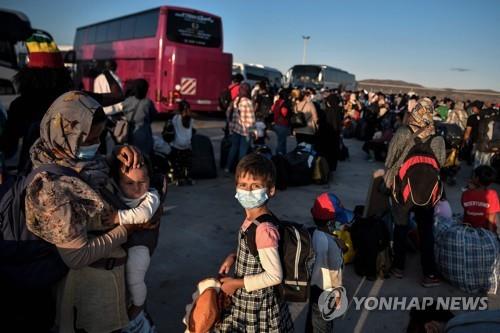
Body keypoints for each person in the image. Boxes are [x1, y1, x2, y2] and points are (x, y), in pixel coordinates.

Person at [22, 91, 153, 333]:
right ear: (66, 135)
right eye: (88, 140)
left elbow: (91, 179)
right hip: (88, 291)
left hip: (112, 281)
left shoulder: (80, 161)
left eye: (98, 138)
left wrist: (115, 155)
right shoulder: (52, 188)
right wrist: (126, 229)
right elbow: (76, 256)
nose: (95, 145)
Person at [217, 153, 294, 332]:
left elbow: (274, 276)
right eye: (243, 185)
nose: (248, 191)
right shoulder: (253, 220)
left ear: (271, 190)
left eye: (256, 186)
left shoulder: (263, 229)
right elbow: (257, 253)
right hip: (248, 299)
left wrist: (235, 284)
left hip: (258, 306)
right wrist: (234, 256)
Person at [384, 98, 446, 287]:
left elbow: (390, 159)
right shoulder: (438, 138)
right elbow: (440, 164)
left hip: (402, 188)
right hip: (427, 192)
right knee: (426, 231)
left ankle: (398, 267)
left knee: (401, 227)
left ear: (415, 112)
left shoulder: (403, 131)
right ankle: (429, 273)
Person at [0, 32, 72, 173]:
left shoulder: (21, 105)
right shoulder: (74, 103)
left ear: (27, 76)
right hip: (71, 175)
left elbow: (8, 148)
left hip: (32, 176)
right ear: (63, 75)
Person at [111, 158, 161, 331]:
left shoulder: (151, 196)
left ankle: (138, 306)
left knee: (134, 276)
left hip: (140, 245)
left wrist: (117, 217)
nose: (137, 188)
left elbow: (144, 214)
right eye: (129, 183)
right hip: (122, 243)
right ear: (118, 182)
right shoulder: (114, 194)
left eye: (142, 182)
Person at [307, 193, 346, 333]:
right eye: (337, 221)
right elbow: (335, 275)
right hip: (326, 292)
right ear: (330, 223)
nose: (340, 224)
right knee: (323, 325)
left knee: (312, 319)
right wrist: (338, 296)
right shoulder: (332, 245)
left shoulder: (313, 234)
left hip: (312, 287)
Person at [224, 83, 256, 174]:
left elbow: (228, 114)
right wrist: (253, 132)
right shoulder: (248, 102)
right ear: (248, 91)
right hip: (245, 131)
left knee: (233, 149)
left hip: (235, 129)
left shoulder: (236, 100)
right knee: (243, 151)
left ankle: (227, 167)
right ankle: (239, 171)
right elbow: (251, 119)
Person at [122, 79, 158, 156]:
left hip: (129, 133)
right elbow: (154, 115)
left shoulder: (127, 101)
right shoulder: (147, 102)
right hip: (144, 134)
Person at [461, 165, 499, 233]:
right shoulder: (492, 195)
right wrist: (492, 236)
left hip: (468, 230)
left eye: (473, 175)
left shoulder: (466, 194)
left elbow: (465, 207)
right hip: (484, 231)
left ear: (477, 178)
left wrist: (471, 189)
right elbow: (491, 219)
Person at [170, 100, 194, 185]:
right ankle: (188, 177)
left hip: (177, 145)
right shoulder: (191, 120)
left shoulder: (176, 118)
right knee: (187, 163)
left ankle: (178, 178)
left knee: (177, 163)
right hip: (187, 145)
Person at [463, 100, 484, 166]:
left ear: (476, 108)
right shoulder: (485, 117)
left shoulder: (472, 117)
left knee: (471, 160)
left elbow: (468, 131)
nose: (472, 108)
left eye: (473, 107)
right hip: (483, 141)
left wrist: (465, 141)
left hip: (474, 140)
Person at [271, 89, 292, 155]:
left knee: (282, 141)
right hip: (283, 124)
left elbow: (272, 109)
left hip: (276, 123)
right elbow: (284, 113)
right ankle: (279, 156)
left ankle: (282, 155)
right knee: (281, 142)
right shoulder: (284, 103)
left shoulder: (277, 102)